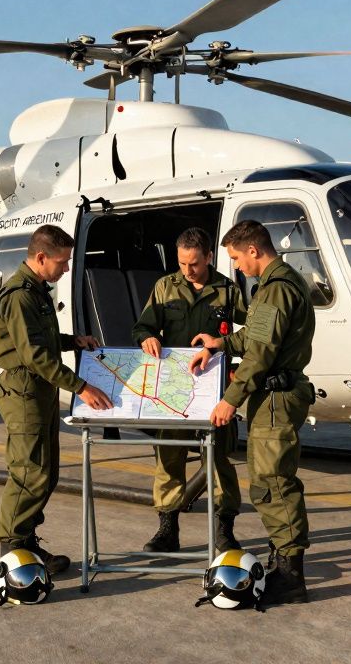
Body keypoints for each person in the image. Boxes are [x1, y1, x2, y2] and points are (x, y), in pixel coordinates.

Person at [189, 219, 316, 605]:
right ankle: (283, 559)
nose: (236, 266)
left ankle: (290, 576)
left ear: (253, 250)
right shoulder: (282, 282)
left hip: (276, 397)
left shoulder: (275, 289)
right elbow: (256, 336)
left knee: (272, 483)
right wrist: (220, 343)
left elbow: (259, 354)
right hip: (276, 394)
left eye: (235, 258)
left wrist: (230, 399)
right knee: (271, 480)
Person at [0, 224, 112, 575]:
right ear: (42, 257)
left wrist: (73, 341)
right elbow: (33, 355)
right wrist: (81, 387)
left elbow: (40, 340)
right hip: (24, 389)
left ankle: (25, 542)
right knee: (29, 473)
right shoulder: (20, 296)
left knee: (46, 472)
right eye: (62, 262)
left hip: (39, 388)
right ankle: (13, 553)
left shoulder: (36, 291)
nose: (66, 268)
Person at [129, 227, 246, 554]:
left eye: (194, 264)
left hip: (213, 390)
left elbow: (253, 328)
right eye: (182, 263)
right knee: (168, 457)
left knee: (218, 459)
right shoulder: (165, 287)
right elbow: (143, 326)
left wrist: (228, 351)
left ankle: (224, 529)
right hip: (173, 390)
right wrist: (146, 338)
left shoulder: (227, 290)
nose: (187, 270)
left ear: (209, 257)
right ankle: (168, 529)